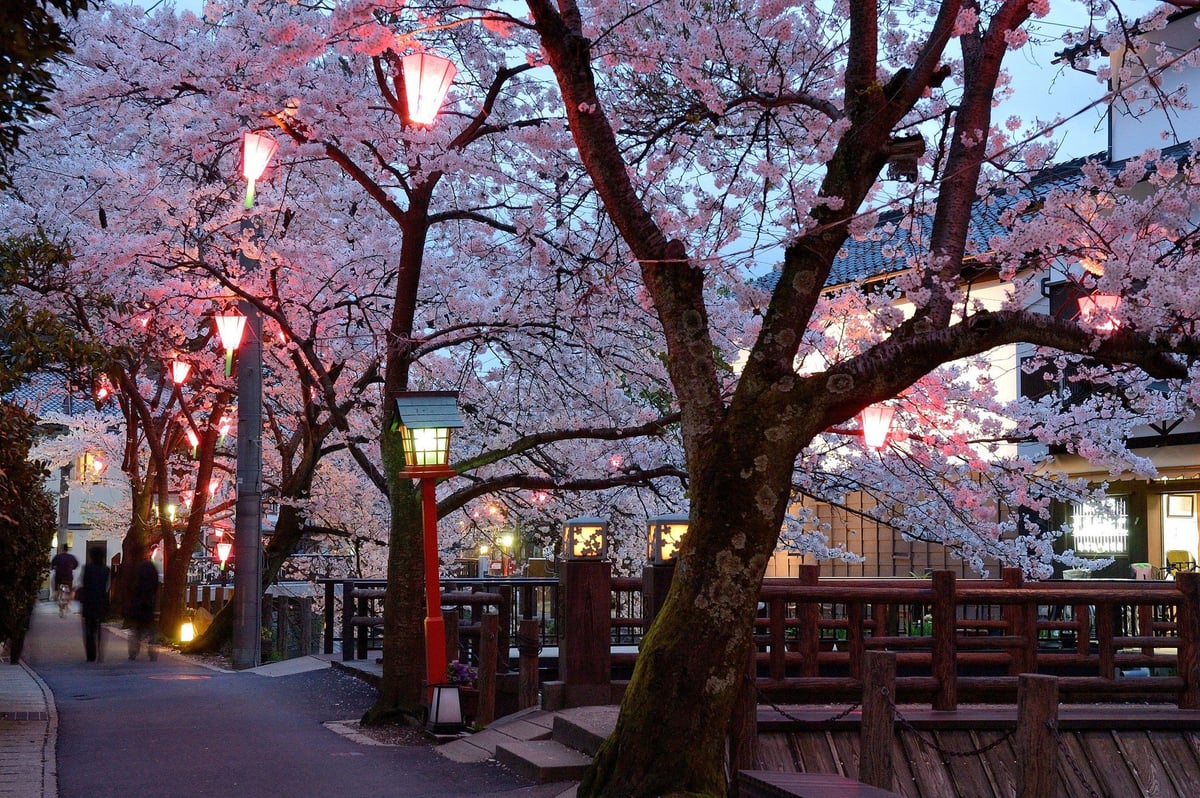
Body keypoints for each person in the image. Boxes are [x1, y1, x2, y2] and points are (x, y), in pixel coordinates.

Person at [77, 548, 110, 662]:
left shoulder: (87, 568)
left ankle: (91, 654)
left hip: (88, 601)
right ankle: (100, 651)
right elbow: (106, 587)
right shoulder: (106, 570)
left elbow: (84, 583)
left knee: (88, 628)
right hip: (100, 601)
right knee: (99, 626)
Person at [127, 552, 160, 661]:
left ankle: (133, 652)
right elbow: (156, 585)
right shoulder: (152, 570)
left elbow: (130, 587)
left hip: (136, 604)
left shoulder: (135, 572)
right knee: (151, 630)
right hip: (148, 604)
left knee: (136, 630)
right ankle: (153, 652)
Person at [50, 545, 79, 617]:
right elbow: (76, 565)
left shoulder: (57, 556)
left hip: (58, 577)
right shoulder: (71, 557)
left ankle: (55, 595)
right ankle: (68, 603)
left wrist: (53, 567)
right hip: (68, 578)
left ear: (62, 549)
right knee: (72, 590)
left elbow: (52, 564)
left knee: (55, 589)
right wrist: (72, 567)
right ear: (68, 549)